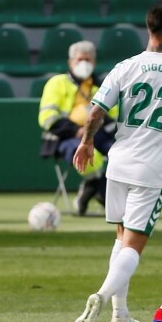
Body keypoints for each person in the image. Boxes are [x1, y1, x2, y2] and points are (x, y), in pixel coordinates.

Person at [71, 6, 162, 322]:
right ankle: (101, 296)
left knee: (121, 236)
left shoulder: (124, 67)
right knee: (134, 245)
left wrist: (87, 142)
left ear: (149, 30)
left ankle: (121, 313)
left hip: (119, 162)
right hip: (151, 170)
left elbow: (95, 113)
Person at [39, 41, 118, 216]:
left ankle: (93, 190)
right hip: (66, 137)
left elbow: (114, 115)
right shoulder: (57, 83)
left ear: (94, 63)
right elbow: (47, 117)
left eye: (88, 60)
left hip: (100, 135)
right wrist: (76, 130)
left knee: (121, 155)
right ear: (70, 62)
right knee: (92, 156)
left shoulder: (103, 85)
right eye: (80, 59)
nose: (84, 64)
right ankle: (105, 197)